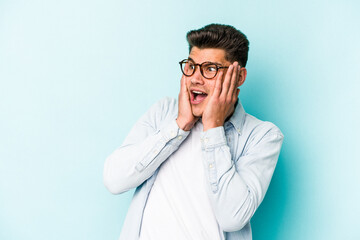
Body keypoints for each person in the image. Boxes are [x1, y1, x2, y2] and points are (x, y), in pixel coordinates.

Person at [103, 23, 284, 240]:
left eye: (210, 69)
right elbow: (114, 179)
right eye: (191, 66)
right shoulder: (163, 113)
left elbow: (232, 218)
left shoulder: (262, 136)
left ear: (239, 77)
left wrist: (213, 127)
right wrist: (179, 125)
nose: (195, 79)